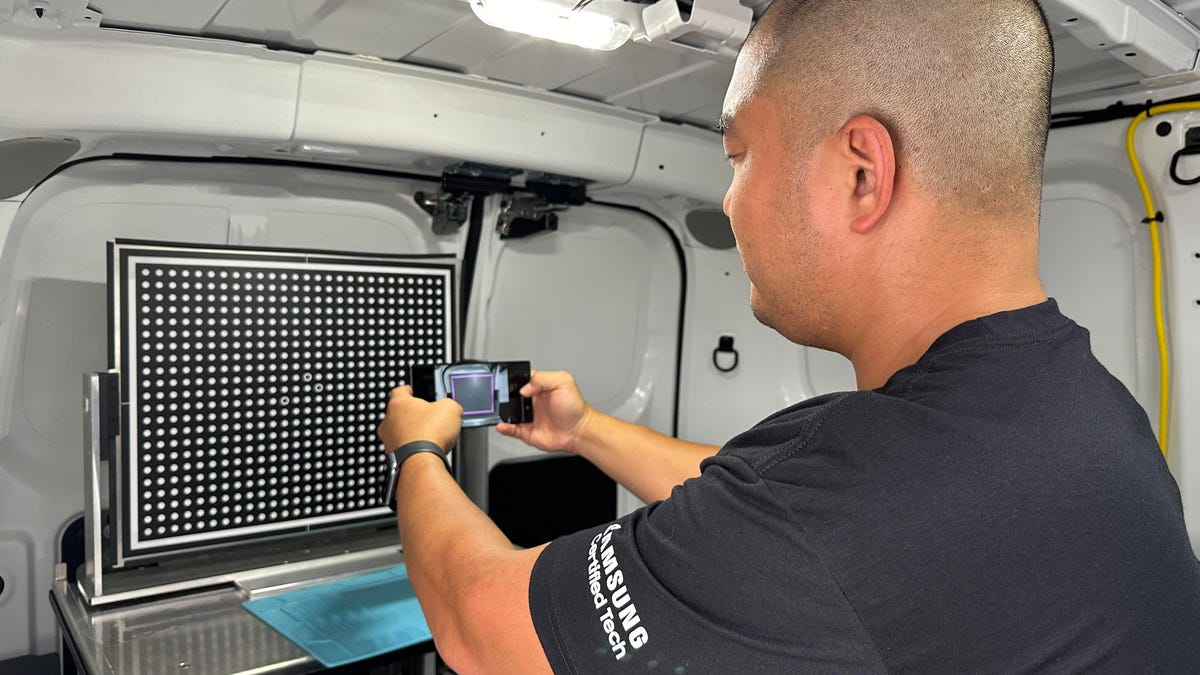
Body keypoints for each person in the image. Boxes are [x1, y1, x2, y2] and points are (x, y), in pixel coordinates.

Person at [376, 0, 1200, 671]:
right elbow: (766, 505)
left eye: (738, 155)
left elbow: (477, 626)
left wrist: (417, 449)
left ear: (861, 174)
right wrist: (586, 429)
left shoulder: (846, 510)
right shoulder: (1089, 409)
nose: (730, 202)